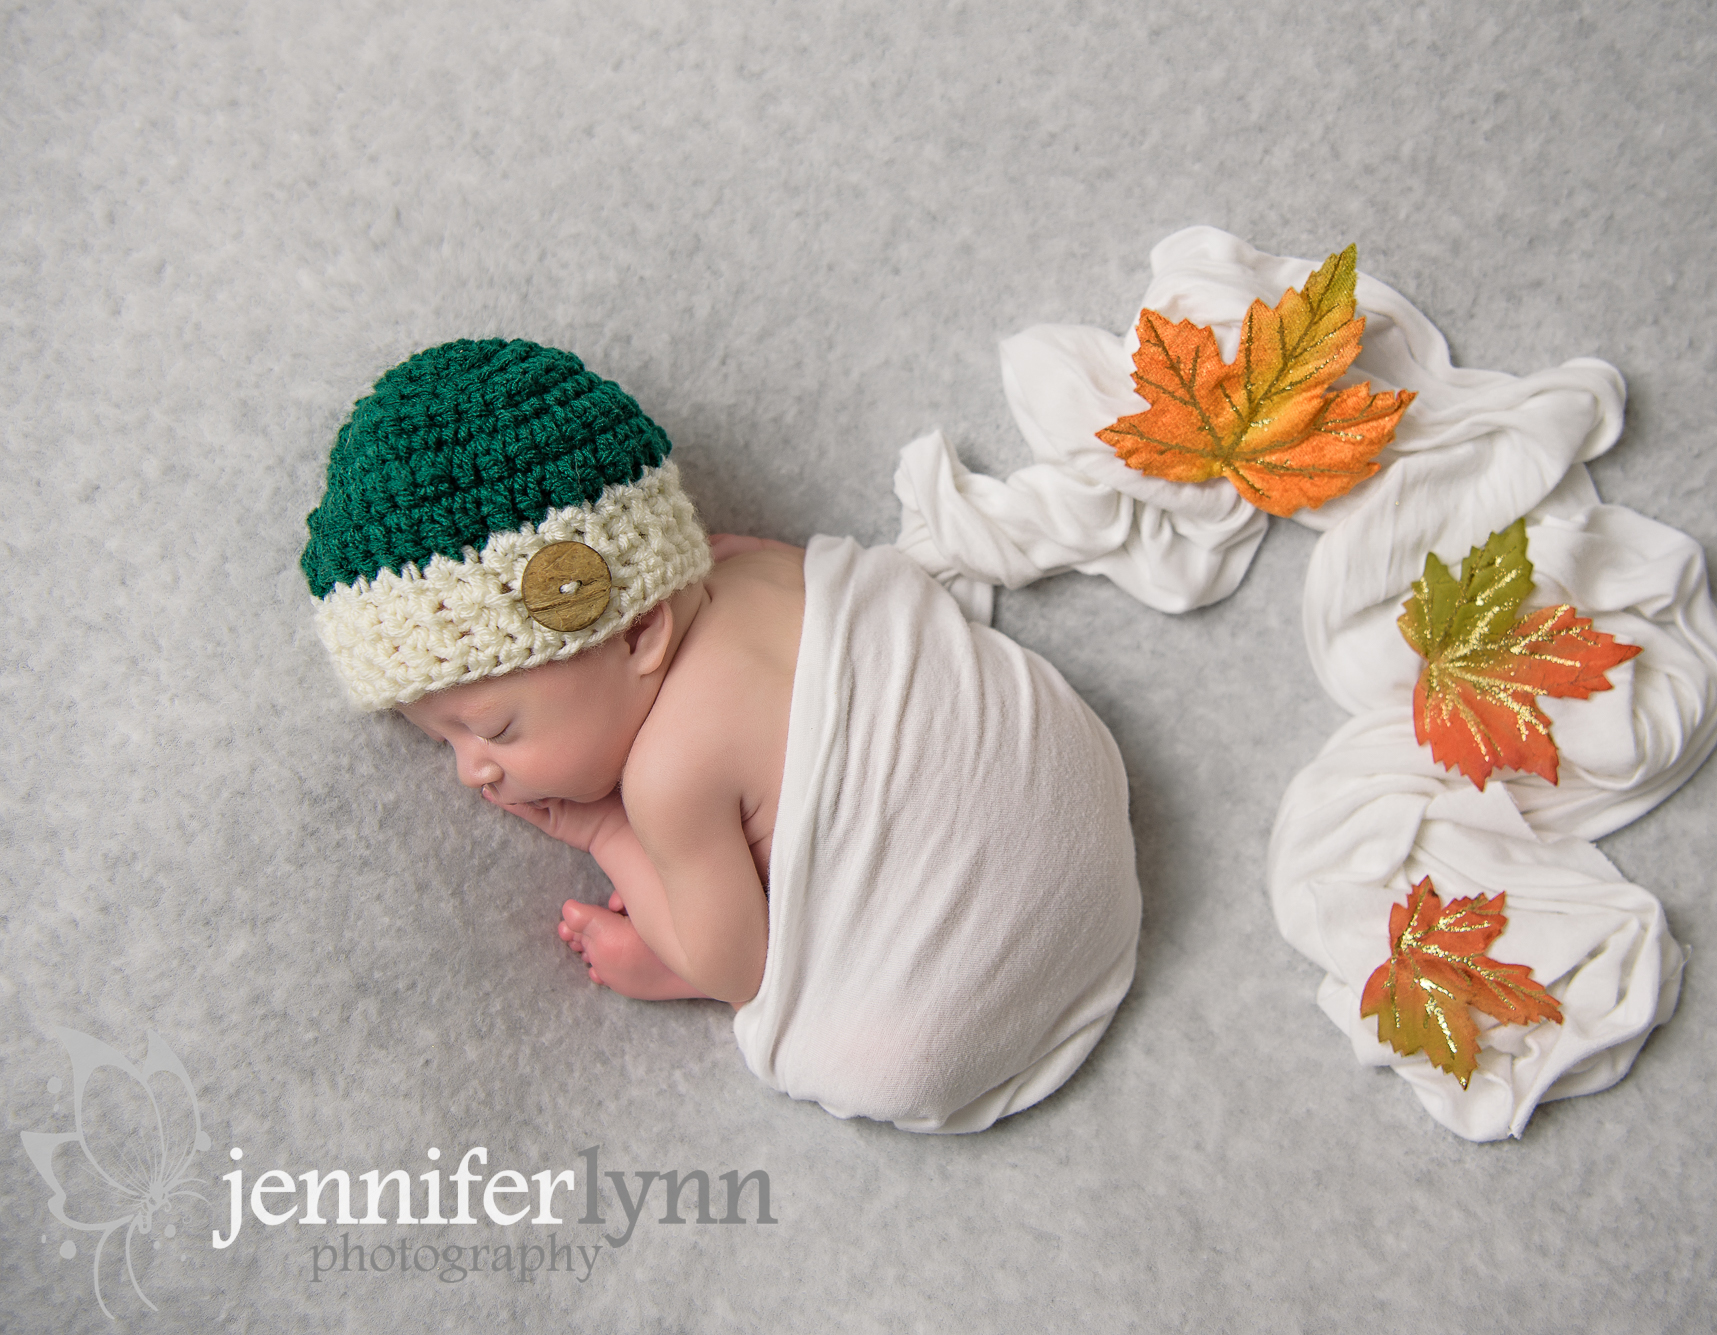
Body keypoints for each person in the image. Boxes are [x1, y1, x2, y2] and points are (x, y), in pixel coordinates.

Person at [301, 338, 1141, 1132]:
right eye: (444, 741)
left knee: (860, 1046)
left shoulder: (668, 778)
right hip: (1081, 799)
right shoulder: (758, 566)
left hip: (978, 1001)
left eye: (492, 729)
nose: (469, 770)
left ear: (639, 634)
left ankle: (673, 974)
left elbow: (735, 961)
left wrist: (606, 830)